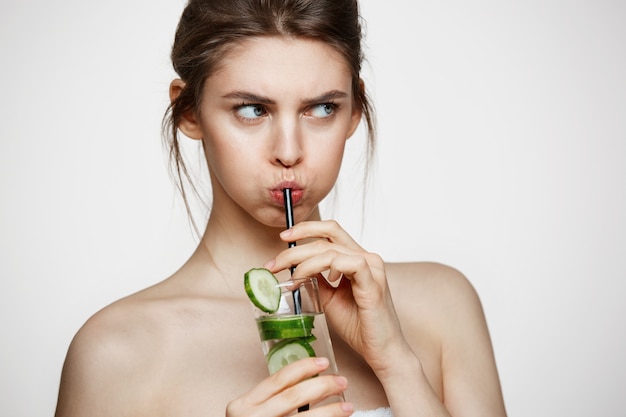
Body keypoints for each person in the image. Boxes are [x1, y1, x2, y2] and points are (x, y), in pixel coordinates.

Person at [55, 0, 507, 416]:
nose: (288, 151)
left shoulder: (442, 304)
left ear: (353, 112)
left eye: (322, 108)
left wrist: (398, 364)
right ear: (189, 112)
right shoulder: (117, 352)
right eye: (252, 110)